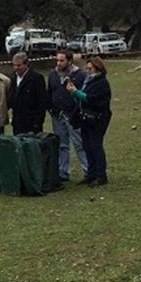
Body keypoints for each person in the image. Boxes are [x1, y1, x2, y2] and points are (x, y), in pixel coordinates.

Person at [65, 56, 112, 186]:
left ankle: (101, 175)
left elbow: (91, 98)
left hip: (98, 119)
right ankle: (91, 174)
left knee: (96, 146)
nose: (87, 71)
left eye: (90, 69)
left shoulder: (102, 83)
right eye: (86, 68)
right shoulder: (89, 81)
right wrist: (74, 93)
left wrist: (75, 92)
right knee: (87, 146)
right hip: (86, 119)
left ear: (98, 68)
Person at [47, 50, 88, 183]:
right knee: (62, 144)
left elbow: (84, 94)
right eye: (57, 60)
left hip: (73, 115)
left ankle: (88, 170)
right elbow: (50, 92)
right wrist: (51, 108)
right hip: (57, 115)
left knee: (79, 143)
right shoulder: (53, 74)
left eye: (62, 60)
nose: (58, 63)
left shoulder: (79, 75)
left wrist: (77, 111)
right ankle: (63, 172)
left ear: (69, 61)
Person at [9, 52, 47, 134]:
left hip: (32, 123)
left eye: (19, 65)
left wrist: (38, 122)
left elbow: (42, 102)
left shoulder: (36, 78)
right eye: (14, 65)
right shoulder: (12, 78)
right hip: (17, 123)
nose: (16, 68)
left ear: (26, 64)